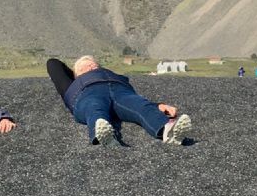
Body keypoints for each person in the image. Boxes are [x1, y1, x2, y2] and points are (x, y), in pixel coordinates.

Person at [47, 55, 192, 146]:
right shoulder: (72, 85)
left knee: (140, 106)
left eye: (93, 64)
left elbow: (138, 100)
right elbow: (53, 64)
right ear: (75, 75)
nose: (90, 65)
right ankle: (106, 137)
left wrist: (158, 105)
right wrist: (75, 75)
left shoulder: (113, 75)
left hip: (121, 92)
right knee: (95, 109)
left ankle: (168, 131)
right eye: (84, 66)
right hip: (88, 94)